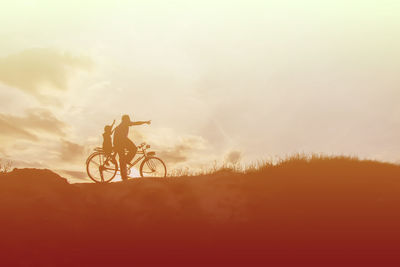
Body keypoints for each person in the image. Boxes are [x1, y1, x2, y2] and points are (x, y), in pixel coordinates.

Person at [113, 114, 151, 181]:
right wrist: (145, 122)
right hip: (121, 141)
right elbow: (136, 123)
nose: (129, 121)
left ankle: (124, 176)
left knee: (122, 158)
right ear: (126, 120)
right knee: (134, 149)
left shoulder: (121, 124)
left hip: (118, 142)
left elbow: (135, 123)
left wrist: (144, 122)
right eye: (128, 119)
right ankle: (126, 161)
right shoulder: (124, 124)